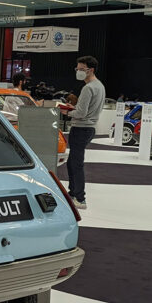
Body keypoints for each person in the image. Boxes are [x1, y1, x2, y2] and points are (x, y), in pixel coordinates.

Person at [61, 56, 105, 210]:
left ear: (90, 70)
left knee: (76, 164)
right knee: (72, 162)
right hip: (89, 128)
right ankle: (73, 194)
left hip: (81, 128)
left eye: (81, 69)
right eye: (77, 69)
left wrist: (67, 112)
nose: (78, 72)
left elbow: (81, 113)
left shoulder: (88, 88)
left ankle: (80, 197)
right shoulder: (99, 86)